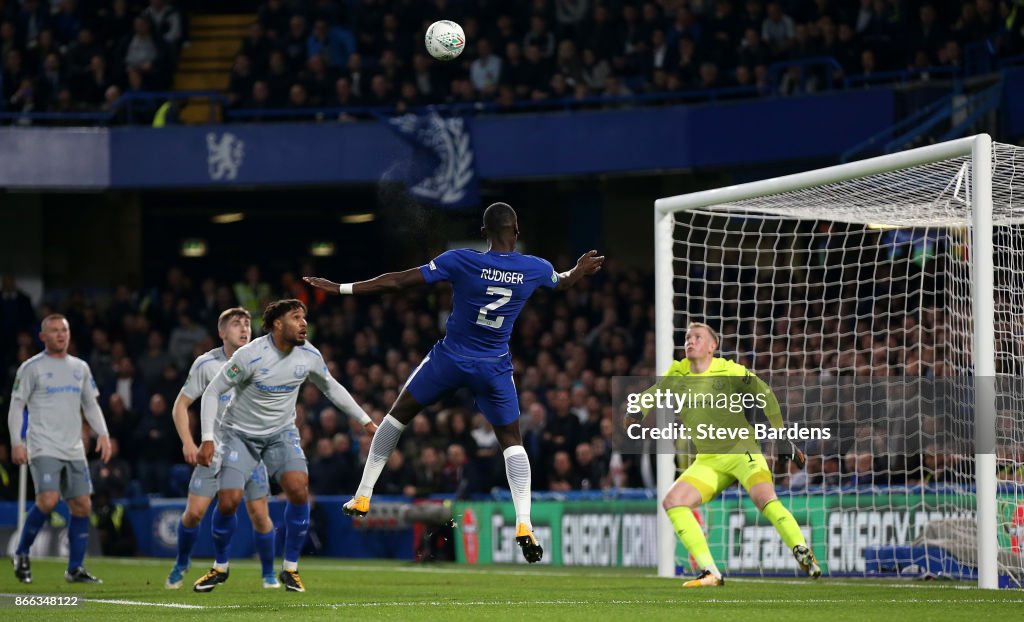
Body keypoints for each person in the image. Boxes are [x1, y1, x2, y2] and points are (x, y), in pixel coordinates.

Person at [303, 202, 604, 563]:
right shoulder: (534, 268)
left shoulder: (461, 260)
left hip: (451, 359)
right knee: (511, 441)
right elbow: (562, 281)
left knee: (396, 418)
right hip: (493, 367)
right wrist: (579, 271)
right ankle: (524, 522)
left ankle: (363, 494)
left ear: (483, 233)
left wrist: (341, 288)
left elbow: (399, 281)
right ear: (517, 230)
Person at [196, 299, 376, 592]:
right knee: (228, 501)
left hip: (281, 433)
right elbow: (213, 391)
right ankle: (220, 566)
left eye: (304, 317)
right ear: (278, 324)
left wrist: (365, 420)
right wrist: (206, 439)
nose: (304, 323)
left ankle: (290, 569)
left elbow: (330, 386)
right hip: (239, 434)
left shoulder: (308, 355)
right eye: (296, 317)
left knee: (298, 490)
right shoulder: (250, 355)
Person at [625, 322, 821, 587]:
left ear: (712, 346)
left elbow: (765, 394)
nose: (690, 341)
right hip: (708, 460)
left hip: (742, 451)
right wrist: (636, 411)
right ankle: (711, 572)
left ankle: (801, 549)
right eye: (687, 337)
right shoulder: (678, 371)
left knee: (764, 498)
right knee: (673, 501)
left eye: (697, 337)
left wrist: (782, 437)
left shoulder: (729, 370)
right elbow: (653, 395)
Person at [166, 307, 279, 591]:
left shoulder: (262, 362)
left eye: (247, 324)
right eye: (236, 324)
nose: (244, 328)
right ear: (222, 332)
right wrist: (188, 442)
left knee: (260, 515)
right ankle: (182, 562)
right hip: (214, 455)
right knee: (193, 514)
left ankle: (268, 574)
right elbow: (180, 405)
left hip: (251, 454)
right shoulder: (206, 365)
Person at [7, 314, 112, 584]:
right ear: (42, 337)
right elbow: (17, 406)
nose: (60, 335)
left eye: (64, 330)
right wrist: (17, 442)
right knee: (49, 500)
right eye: (54, 331)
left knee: (81, 505)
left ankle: (75, 568)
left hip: (74, 448)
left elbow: (90, 404)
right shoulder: (32, 368)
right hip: (43, 445)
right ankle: (21, 553)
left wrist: (103, 434)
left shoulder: (80, 367)